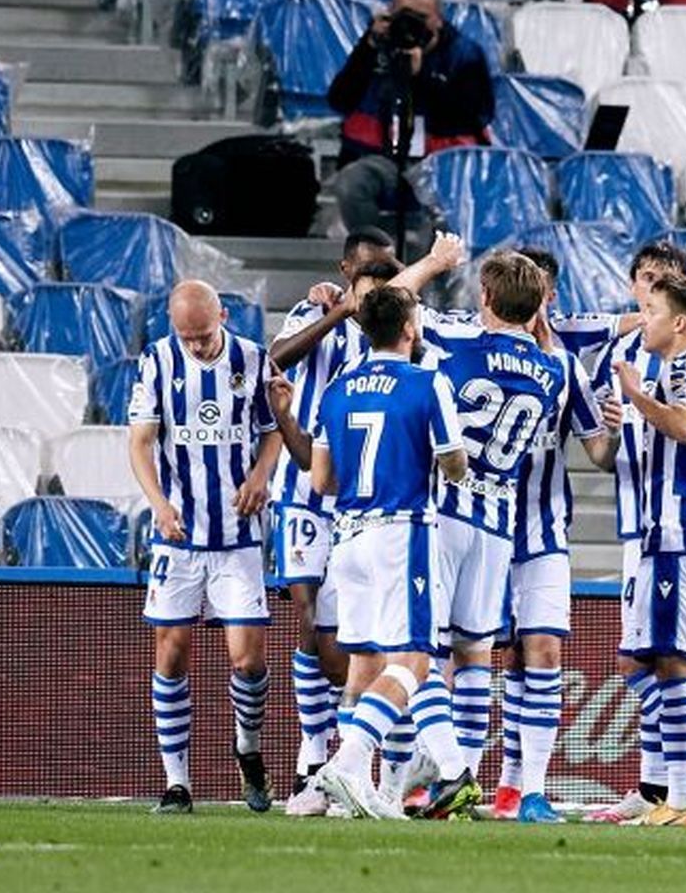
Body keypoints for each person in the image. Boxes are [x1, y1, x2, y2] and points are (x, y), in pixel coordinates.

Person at [378, 242, 572, 817]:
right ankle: (456, 781)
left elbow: (391, 303)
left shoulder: (455, 339)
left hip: (443, 511)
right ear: (539, 306)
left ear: (484, 296)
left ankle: (436, 774)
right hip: (498, 523)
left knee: (422, 650)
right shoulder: (554, 368)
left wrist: (436, 264)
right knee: (475, 657)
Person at [268, 284, 471, 820]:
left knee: (364, 666)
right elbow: (454, 464)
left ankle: (356, 793)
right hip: (400, 532)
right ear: (409, 329)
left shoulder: (338, 386)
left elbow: (322, 478)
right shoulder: (428, 381)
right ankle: (349, 763)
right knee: (414, 659)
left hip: (347, 539)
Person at [585, 242, 686, 827]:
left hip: (676, 534)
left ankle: (685, 792)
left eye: (652, 313)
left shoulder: (684, 366)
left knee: (668, 663)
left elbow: (685, 424)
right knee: (645, 659)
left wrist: (636, 395)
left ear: (678, 322)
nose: (642, 320)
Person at [127, 280, 284, 816]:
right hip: (178, 536)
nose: (195, 346)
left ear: (223, 313)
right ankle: (177, 783)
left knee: (247, 661)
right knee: (171, 652)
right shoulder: (157, 361)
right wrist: (158, 503)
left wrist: (262, 475)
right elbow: (141, 441)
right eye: (186, 337)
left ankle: (248, 748)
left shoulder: (253, 359)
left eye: (203, 334)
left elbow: (273, 431)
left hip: (238, 535)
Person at [265, 228, 402, 813]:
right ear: (347, 269)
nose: (374, 281)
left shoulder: (398, 326)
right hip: (300, 488)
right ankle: (311, 750)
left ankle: (345, 757)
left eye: (385, 271)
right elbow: (277, 358)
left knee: (340, 631)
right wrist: (335, 314)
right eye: (366, 270)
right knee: (305, 615)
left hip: (354, 495)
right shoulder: (314, 309)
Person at [490, 248, 623, 824]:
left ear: (552, 296)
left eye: (546, 291)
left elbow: (597, 452)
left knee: (542, 653)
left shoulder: (566, 367)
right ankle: (471, 782)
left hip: (543, 533)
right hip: (482, 529)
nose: (539, 302)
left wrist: (613, 432)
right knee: (472, 657)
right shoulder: (476, 349)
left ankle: (529, 789)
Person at [327, 0, 494, 238]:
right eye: (406, 14)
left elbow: (473, 115)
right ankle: (377, 259)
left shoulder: (465, 53)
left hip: (442, 163)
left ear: (438, 17)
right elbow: (339, 99)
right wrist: (368, 46)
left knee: (448, 210)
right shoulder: (379, 46)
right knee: (351, 182)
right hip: (387, 157)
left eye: (422, 17)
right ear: (391, 12)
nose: (413, 24)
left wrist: (422, 76)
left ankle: (435, 274)